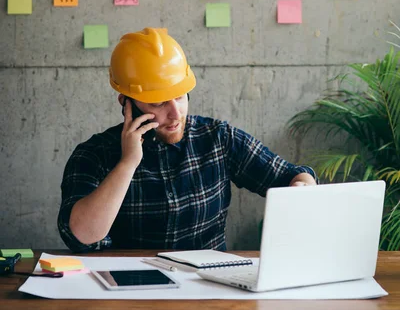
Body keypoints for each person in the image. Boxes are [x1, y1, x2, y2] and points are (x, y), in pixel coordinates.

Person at [58, 27, 317, 252]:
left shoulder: (217, 139)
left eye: (180, 96)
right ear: (127, 103)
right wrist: (128, 163)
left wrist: (302, 187)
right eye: (158, 102)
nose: (175, 113)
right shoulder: (94, 154)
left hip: (206, 290)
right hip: (129, 293)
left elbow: (294, 176)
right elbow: (81, 236)